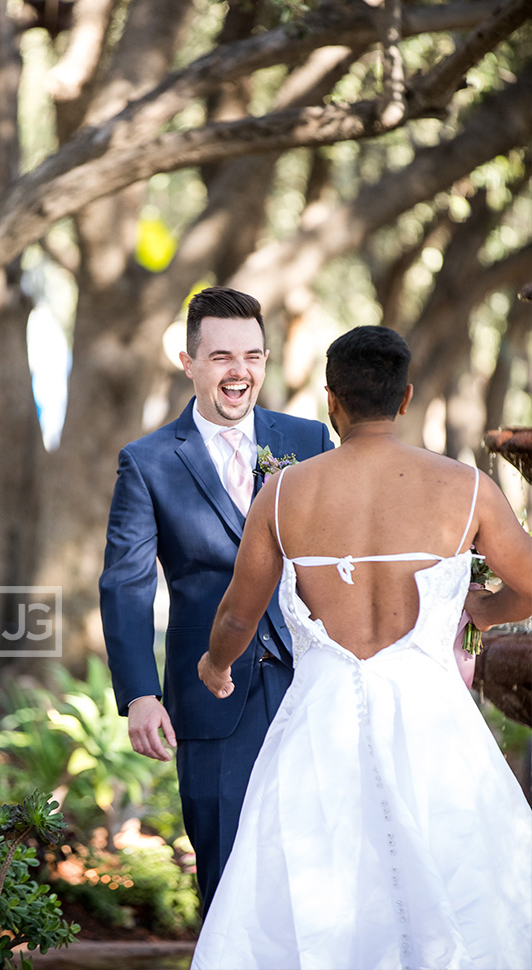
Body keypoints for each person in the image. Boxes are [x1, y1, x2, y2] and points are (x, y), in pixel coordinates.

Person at [192, 325, 532, 970]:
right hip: (435, 730)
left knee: (313, 898)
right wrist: (486, 611)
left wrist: (216, 664)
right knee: (464, 886)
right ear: (405, 399)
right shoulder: (464, 488)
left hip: (320, 729)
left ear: (331, 402)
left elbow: (240, 612)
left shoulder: (286, 492)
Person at [99, 286, 333, 911]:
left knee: (319, 865)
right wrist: (140, 694)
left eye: (253, 356)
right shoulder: (147, 463)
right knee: (227, 870)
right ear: (189, 362)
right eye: (224, 357)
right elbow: (125, 583)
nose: (241, 372)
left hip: (315, 683)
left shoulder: (310, 441)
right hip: (211, 694)